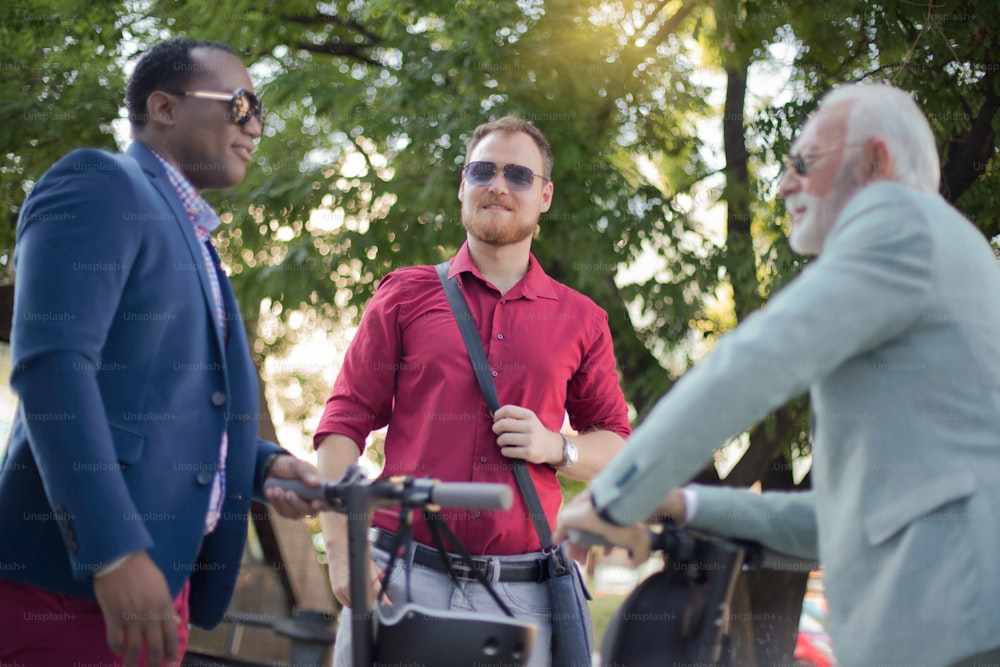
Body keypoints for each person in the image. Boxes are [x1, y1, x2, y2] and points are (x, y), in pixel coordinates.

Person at [554, 82, 1000, 667]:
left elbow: (751, 365)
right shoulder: (933, 263)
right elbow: (831, 522)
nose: (783, 183)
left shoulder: (899, 222)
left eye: (802, 162)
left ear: (876, 161)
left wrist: (610, 500)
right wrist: (682, 503)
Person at [0, 38, 326, 667]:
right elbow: (53, 369)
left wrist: (262, 467)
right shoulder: (99, 182)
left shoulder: (199, 242)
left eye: (260, 110)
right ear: (164, 107)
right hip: (72, 584)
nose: (255, 124)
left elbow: (168, 406)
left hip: (157, 584)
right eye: (239, 105)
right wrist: (113, 550)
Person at [314, 115, 632, 666]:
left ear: (545, 195)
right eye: (483, 170)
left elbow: (618, 448)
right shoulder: (404, 295)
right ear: (463, 185)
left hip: (522, 598)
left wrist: (556, 446)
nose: (499, 185)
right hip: (401, 580)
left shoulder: (584, 319)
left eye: (519, 175)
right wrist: (343, 554)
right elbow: (341, 426)